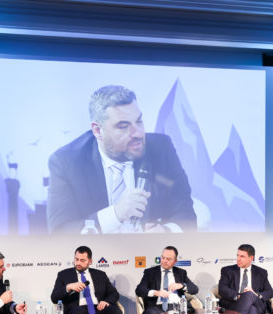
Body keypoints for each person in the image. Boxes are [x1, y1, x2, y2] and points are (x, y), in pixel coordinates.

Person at [47, 85, 196, 234]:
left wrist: (166, 231)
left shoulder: (161, 148)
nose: (138, 133)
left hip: (149, 248)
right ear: (98, 130)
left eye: (139, 121)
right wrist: (115, 214)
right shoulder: (66, 162)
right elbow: (60, 231)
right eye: (124, 126)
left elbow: (186, 213)